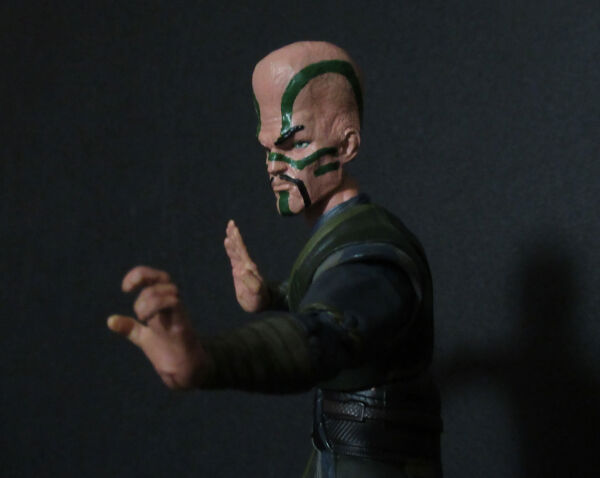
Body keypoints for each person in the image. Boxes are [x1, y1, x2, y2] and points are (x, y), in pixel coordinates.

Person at [107, 41, 442, 478]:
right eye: (268, 149)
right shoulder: (343, 236)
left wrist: (209, 360)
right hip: (339, 454)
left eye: (295, 143)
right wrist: (272, 295)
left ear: (346, 145)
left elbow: (326, 331)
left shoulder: (372, 250)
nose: (273, 165)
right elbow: (333, 297)